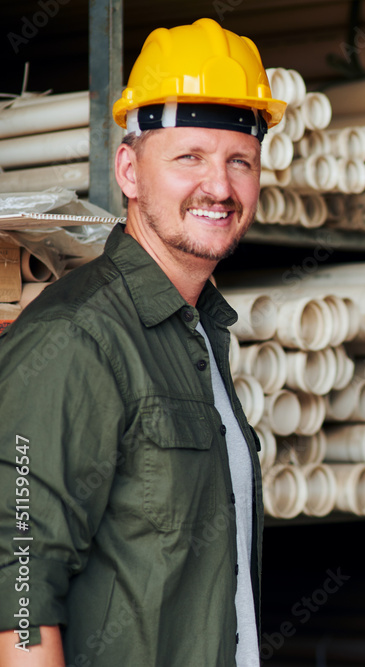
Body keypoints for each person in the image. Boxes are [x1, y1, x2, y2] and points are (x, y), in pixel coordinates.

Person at [0, 18, 285, 667]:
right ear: (128, 168)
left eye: (239, 160)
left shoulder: (202, 332)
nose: (219, 186)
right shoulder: (77, 338)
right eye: (189, 157)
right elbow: (18, 585)